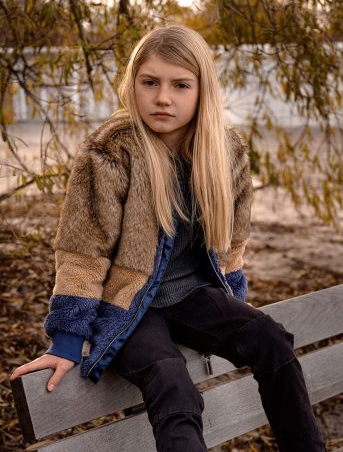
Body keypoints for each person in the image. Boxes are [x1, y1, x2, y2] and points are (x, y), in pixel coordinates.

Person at [10, 25, 326, 452]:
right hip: (128, 307)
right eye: (150, 83)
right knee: (172, 382)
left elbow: (232, 243)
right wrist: (68, 338)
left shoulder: (225, 152)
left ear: (202, 91)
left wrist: (235, 302)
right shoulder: (111, 153)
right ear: (133, 85)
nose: (163, 98)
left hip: (193, 297)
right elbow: (83, 252)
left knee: (271, 340)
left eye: (180, 85)